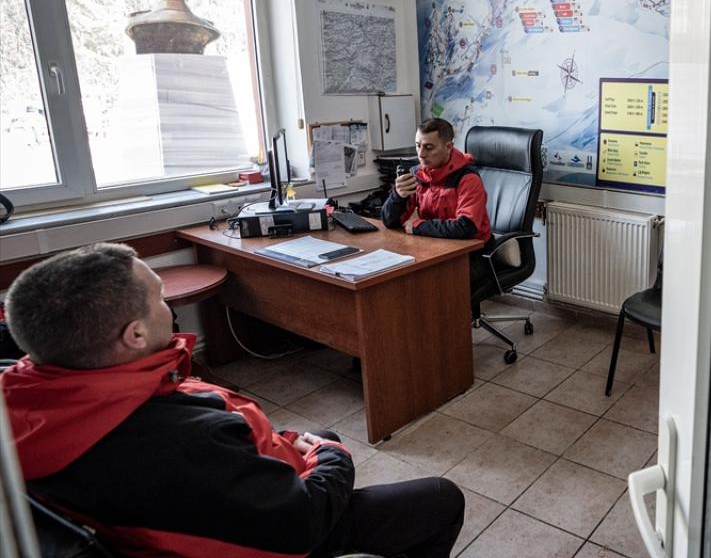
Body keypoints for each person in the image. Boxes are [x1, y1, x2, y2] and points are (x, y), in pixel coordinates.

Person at [1, 243, 464, 557]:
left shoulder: (21, 401)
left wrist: (290, 444)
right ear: (135, 335)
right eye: (159, 298)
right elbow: (300, 522)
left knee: (319, 432)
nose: (169, 307)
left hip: (199, 501)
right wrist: (331, 457)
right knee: (440, 497)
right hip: (271, 530)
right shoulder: (180, 437)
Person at [382, 118, 493, 288]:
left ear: (448, 147)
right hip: (435, 247)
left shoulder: (467, 178)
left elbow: (466, 227)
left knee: (434, 286)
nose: (421, 154)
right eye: (418, 146)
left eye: (429, 147)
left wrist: (418, 226)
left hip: (473, 252)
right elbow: (390, 222)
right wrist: (398, 196)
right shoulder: (417, 175)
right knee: (396, 278)